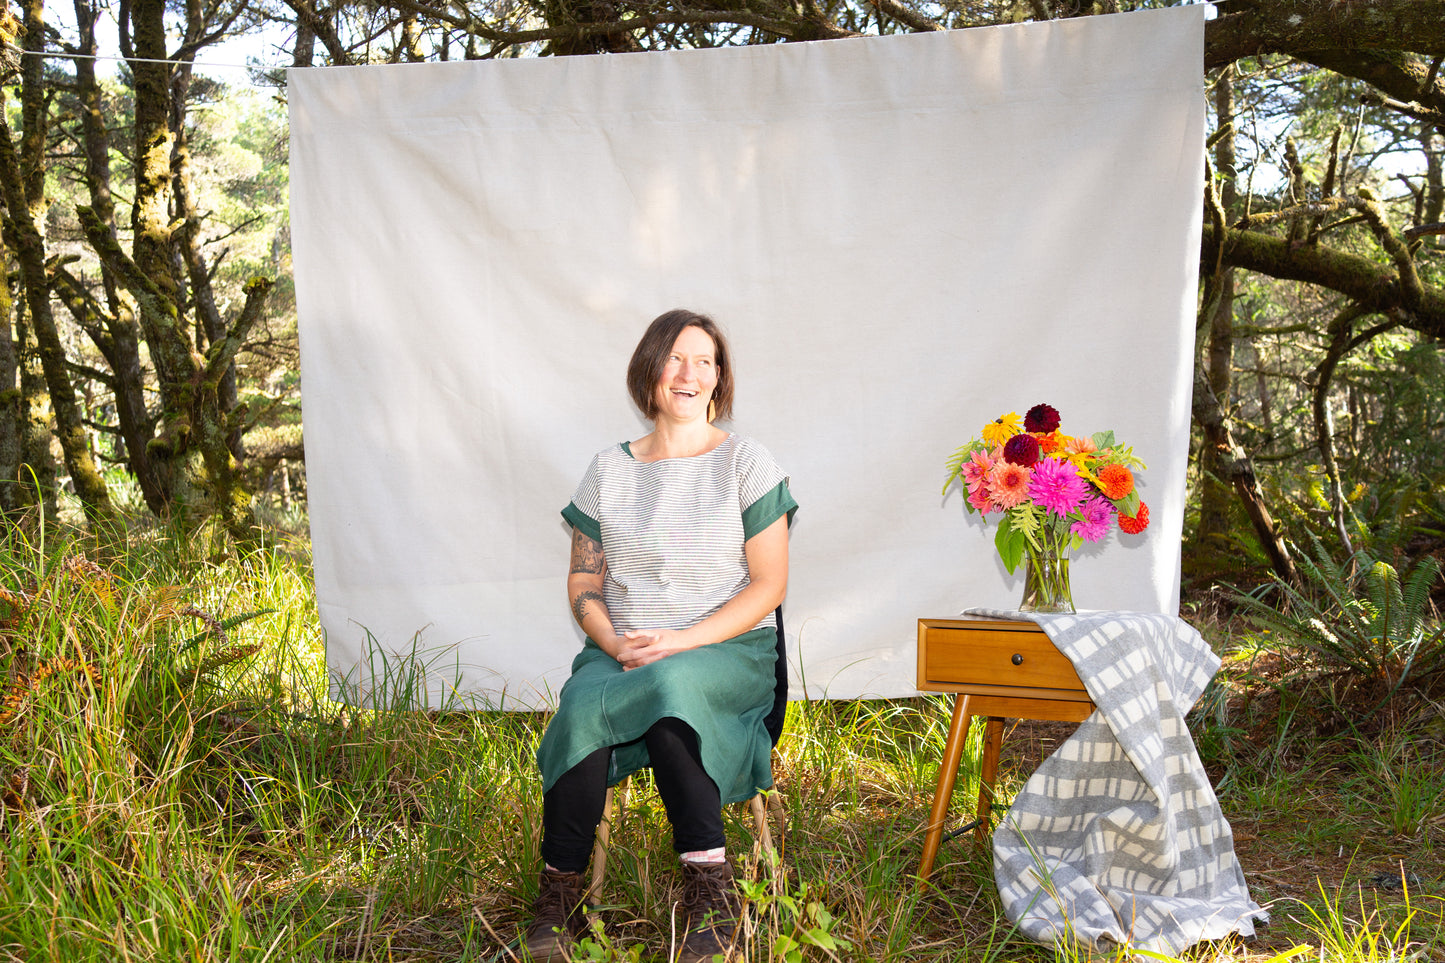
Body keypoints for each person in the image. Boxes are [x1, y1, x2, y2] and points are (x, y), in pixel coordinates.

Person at [523, 309, 797, 963]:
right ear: (649, 371)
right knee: (582, 702)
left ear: (719, 378)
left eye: (704, 360)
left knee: (673, 689)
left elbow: (768, 585)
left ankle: (712, 899)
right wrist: (615, 644)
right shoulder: (607, 470)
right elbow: (583, 583)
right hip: (623, 651)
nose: (689, 373)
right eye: (675, 357)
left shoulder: (745, 462)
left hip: (727, 652)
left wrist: (679, 641)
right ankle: (557, 901)